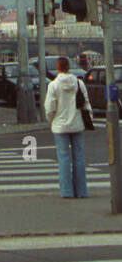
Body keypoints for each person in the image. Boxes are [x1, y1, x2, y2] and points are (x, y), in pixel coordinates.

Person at [44, 55, 92, 198]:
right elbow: (86, 103)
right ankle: (82, 191)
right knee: (79, 157)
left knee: (64, 158)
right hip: (77, 124)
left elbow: (49, 107)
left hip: (60, 126)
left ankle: (66, 191)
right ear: (68, 67)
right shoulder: (78, 83)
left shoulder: (53, 85)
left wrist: (51, 120)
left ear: (58, 67)